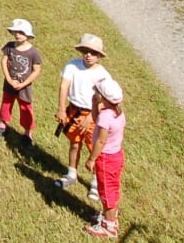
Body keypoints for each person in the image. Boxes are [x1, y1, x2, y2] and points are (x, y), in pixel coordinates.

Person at [55, 34, 110, 198]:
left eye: (93, 53)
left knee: (94, 149)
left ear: (99, 55)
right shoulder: (72, 65)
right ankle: (71, 173)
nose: (88, 55)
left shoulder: (102, 74)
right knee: (74, 143)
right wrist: (61, 109)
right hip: (74, 110)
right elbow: (64, 86)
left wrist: (91, 117)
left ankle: (96, 182)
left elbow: (104, 99)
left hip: (93, 115)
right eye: (85, 51)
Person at [83, 76, 127, 237]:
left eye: (97, 92)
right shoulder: (116, 113)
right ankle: (110, 217)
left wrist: (91, 159)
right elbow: (97, 120)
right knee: (112, 188)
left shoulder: (106, 116)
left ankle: (109, 227)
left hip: (106, 159)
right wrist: (94, 105)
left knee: (107, 192)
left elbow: (101, 141)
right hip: (116, 156)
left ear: (103, 97)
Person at [0, 18, 43, 140]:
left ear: (28, 35)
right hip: (9, 83)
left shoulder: (33, 52)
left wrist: (24, 84)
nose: (17, 34)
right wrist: (9, 79)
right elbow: (4, 61)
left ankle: (28, 132)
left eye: (21, 32)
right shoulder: (10, 46)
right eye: (16, 32)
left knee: (25, 107)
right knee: (6, 103)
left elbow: (36, 70)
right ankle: (2, 123)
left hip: (24, 87)